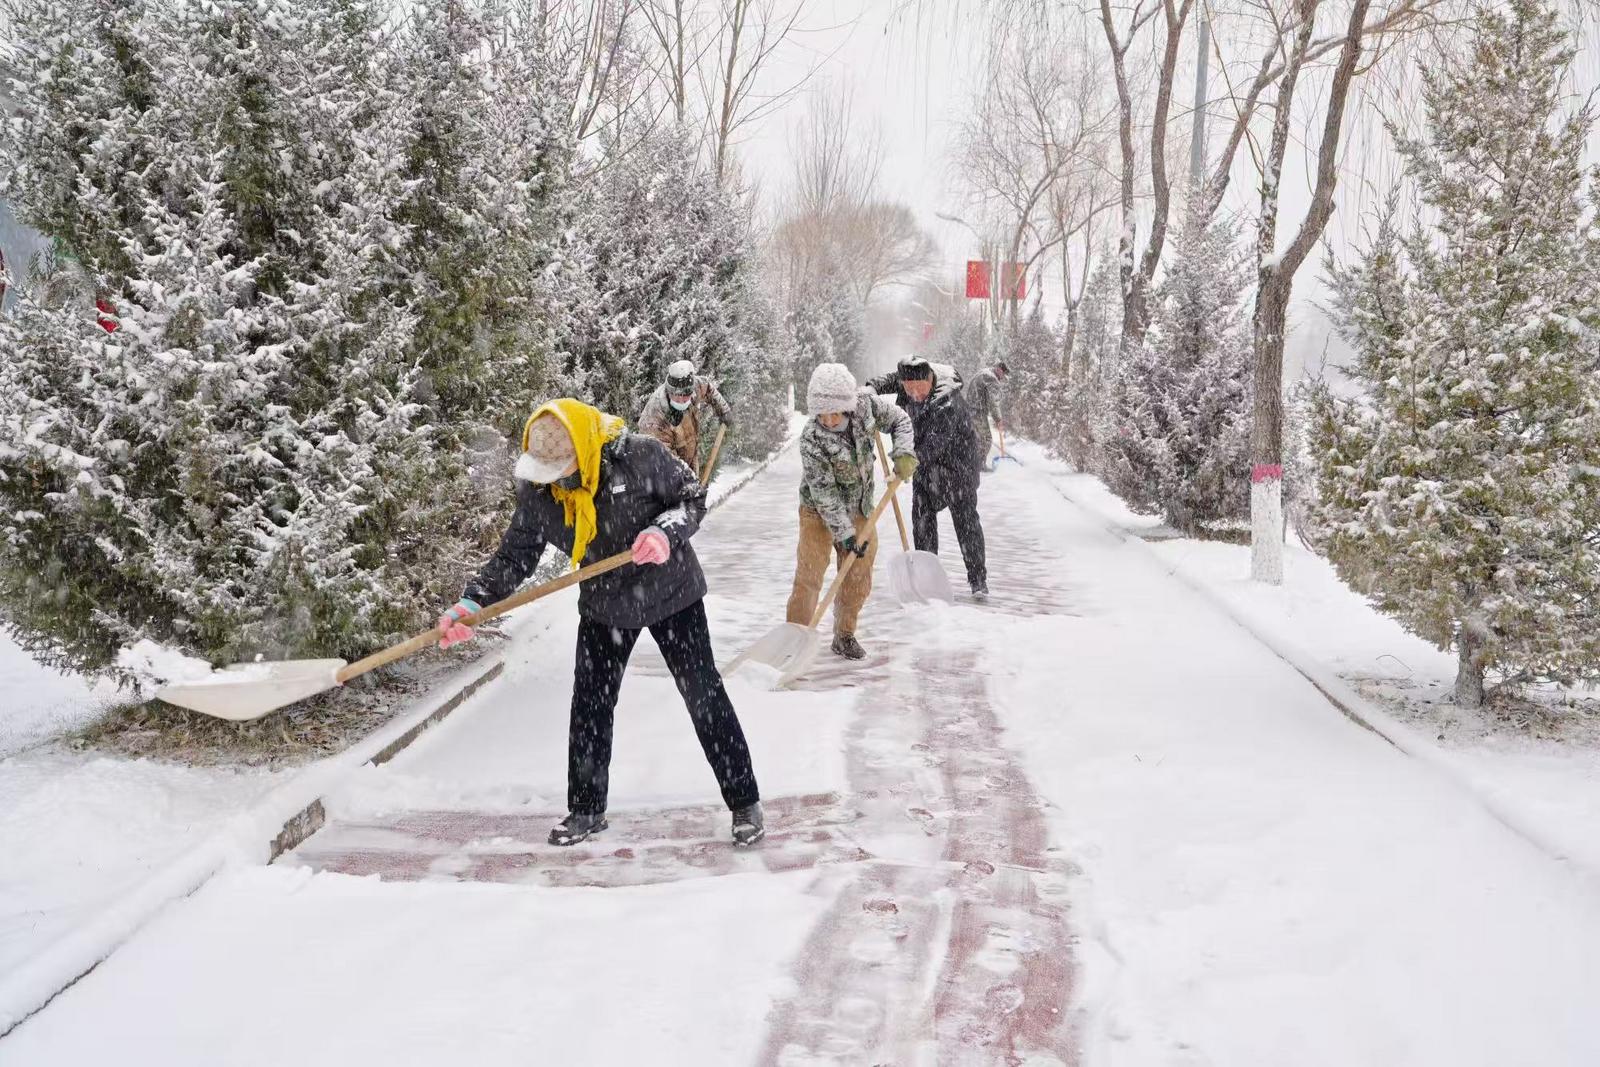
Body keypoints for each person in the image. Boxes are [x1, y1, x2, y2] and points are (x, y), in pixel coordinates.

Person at [437, 398, 764, 847]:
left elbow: (692, 497)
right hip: (605, 602)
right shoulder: (540, 491)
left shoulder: (640, 455)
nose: (558, 483)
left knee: (703, 694)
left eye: (564, 471)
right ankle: (586, 809)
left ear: (584, 450)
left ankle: (744, 801)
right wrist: (472, 603)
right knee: (590, 706)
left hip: (671, 591)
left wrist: (664, 532)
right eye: (548, 475)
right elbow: (515, 557)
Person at [787, 362, 916, 661]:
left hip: (860, 506)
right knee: (809, 577)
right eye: (822, 414)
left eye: (834, 412)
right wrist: (844, 535)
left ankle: (844, 634)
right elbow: (824, 493)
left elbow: (901, 420)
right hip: (818, 513)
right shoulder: (811, 439)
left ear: (847, 406)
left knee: (859, 573)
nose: (829, 420)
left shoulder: (866, 408)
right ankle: (794, 638)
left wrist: (904, 452)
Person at [868, 356, 988, 597]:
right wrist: (872, 388)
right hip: (925, 469)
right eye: (908, 388)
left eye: (919, 387)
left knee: (966, 524)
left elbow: (934, 443)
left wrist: (905, 463)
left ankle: (978, 580)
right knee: (922, 522)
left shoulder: (947, 402)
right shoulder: (909, 383)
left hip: (958, 468)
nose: (914, 393)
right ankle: (928, 578)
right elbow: (892, 380)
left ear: (930, 379)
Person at [636, 359, 734, 474]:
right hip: (665, 477)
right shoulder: (655, 419)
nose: (682, 400)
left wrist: (723, 409)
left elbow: (707, 388)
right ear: (669, 391)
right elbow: (667, 463)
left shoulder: (695, 387)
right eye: (677, 396)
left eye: (686, 395)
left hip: (688, 462)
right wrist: (690, 484)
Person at [966, 360, 1009, 469]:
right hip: (977, 411)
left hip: (969, 409)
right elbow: (993, 402)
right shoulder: (991, 379)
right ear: (999, 370)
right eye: (1003, 374)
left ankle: (971, 463)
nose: (1003, 377)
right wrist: (998, 419)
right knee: (986, 439)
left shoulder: (983, 372)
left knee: (976, 439)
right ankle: (979, 465)